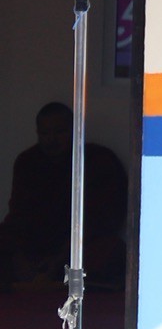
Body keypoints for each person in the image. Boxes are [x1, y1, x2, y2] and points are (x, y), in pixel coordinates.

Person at [0, 102, 129, 292]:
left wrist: (61, 258)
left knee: (112, 251)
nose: (52, 140)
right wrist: (20, 257)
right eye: (45, 133)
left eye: (59, 132)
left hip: (81, 247)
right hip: (35, 247)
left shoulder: (99, 160)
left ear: (75, 131)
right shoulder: (27, 162)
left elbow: (104, 220)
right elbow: (18, 216)